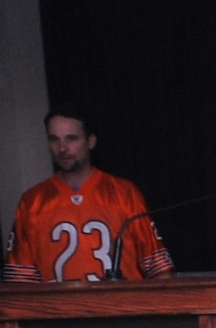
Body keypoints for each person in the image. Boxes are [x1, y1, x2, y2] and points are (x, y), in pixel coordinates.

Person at [6, 107, 173, 282]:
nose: (62, 148)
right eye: (54, 139)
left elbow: (158, 268)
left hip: (119, 307)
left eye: (71, 139)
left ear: (91, 141)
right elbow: (20, 281)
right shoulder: (32, 201)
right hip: (59, 309)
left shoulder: (124, 192)